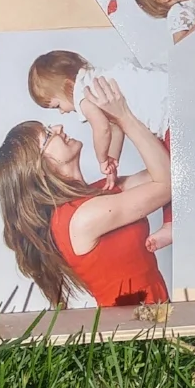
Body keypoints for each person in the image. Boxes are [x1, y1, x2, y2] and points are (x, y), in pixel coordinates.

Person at [0, 76, 171, 309]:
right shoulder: (79, 218)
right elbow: (168, 184)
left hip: (154, 312)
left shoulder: (98, 193)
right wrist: (125, 117)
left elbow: (167, 170)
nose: (58, 128)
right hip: (133, 322)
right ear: (40, 169)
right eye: (48, 135)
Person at [27, 49, 171, 252]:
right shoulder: (97, 82)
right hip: (168, 93)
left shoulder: (84, 97)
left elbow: (102, 129)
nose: (61, 114)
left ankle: (170, 224)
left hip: (169, 116)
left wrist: (102, 158)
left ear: (68, 86)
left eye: (57, 105)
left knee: (175, 160)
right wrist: (113, 159)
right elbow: (115, 126)